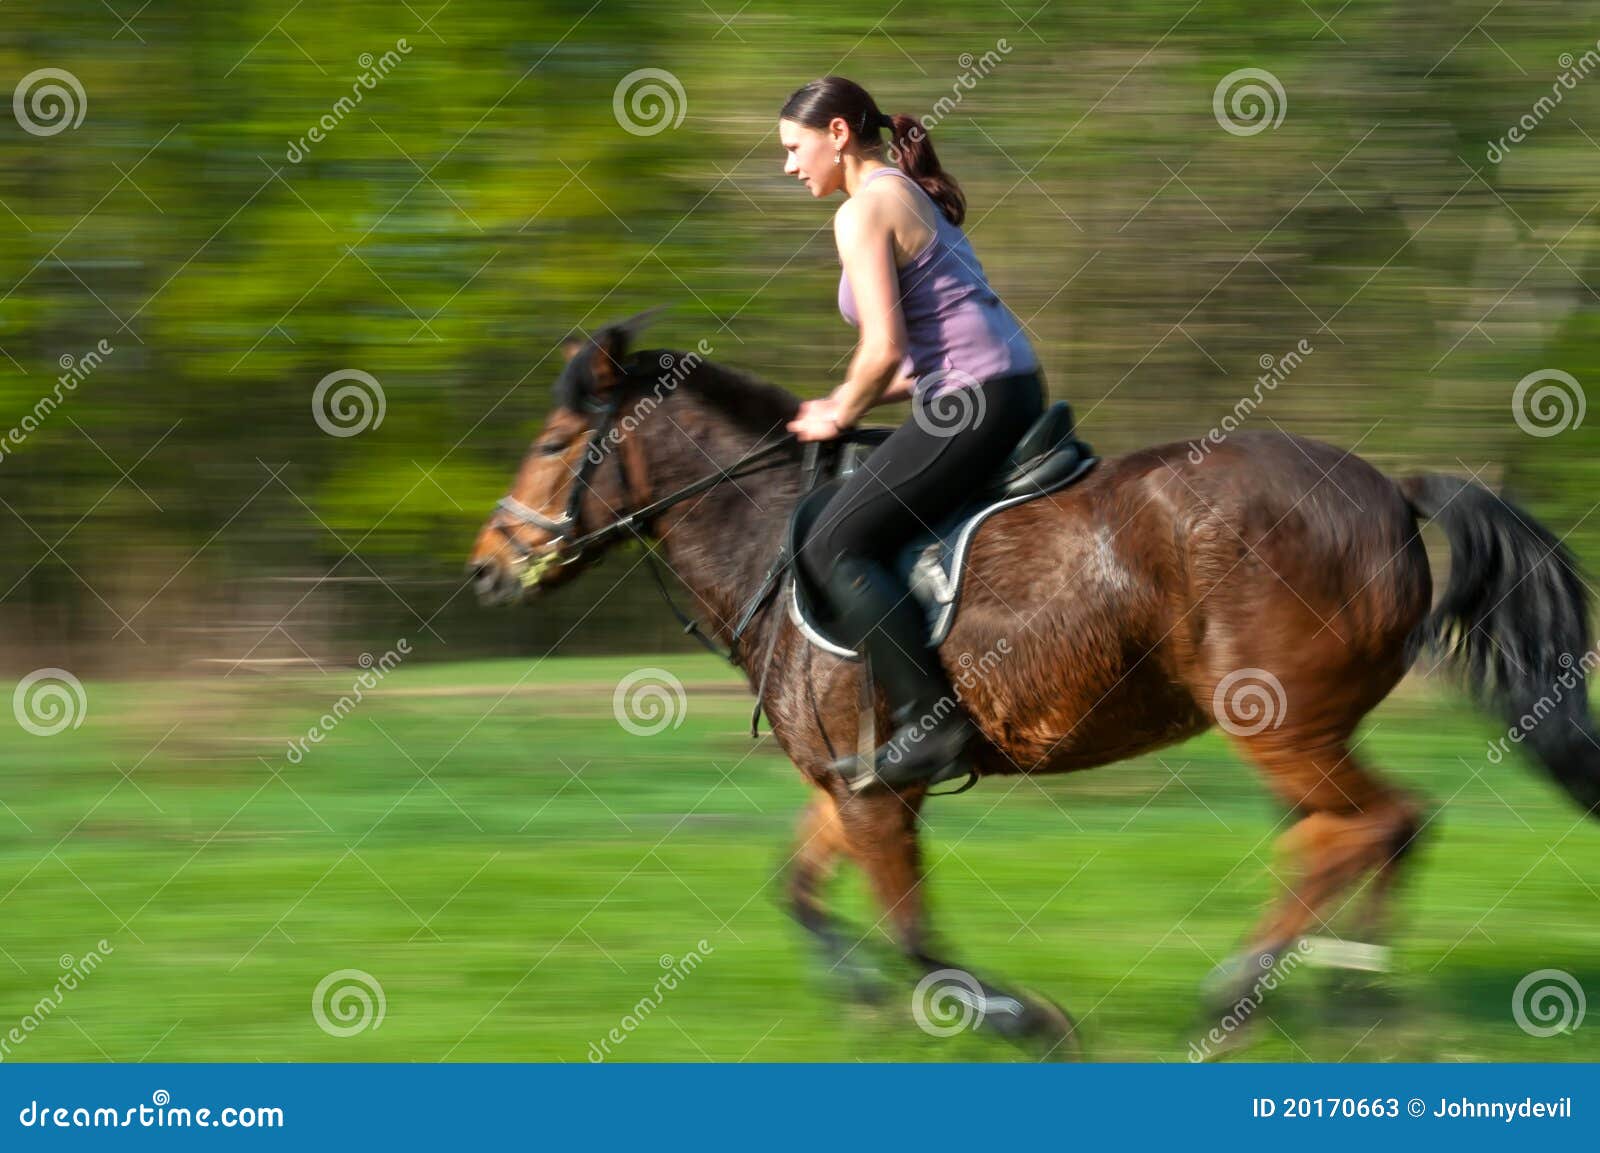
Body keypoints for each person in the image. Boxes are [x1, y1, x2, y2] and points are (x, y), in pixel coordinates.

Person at [779, 76, 1046, 793]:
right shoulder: (902, 192)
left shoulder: (864, 209)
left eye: (795, 148)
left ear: (838, 134)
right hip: (1002, 387)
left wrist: (841, 409)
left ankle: (934, 727)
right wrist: (844, 400)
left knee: (832, 542)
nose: (789, 165)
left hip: (975, 399)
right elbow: (920, 352)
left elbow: (883, 350)